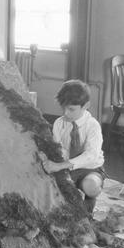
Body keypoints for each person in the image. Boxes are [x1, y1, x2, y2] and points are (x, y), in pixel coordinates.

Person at [40, 80, 106, 216]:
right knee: (47, 190)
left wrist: (60, 166)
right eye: (63, 108)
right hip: (66, 169)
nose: (66, 113)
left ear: (86, 106)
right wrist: (49, 158)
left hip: (90, 169)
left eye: (71, 109)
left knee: (90, 186)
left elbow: (91, 156)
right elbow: (58, 150)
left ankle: (90, 198)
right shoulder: (59, 124)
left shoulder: (93, 125)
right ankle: (71, 195)